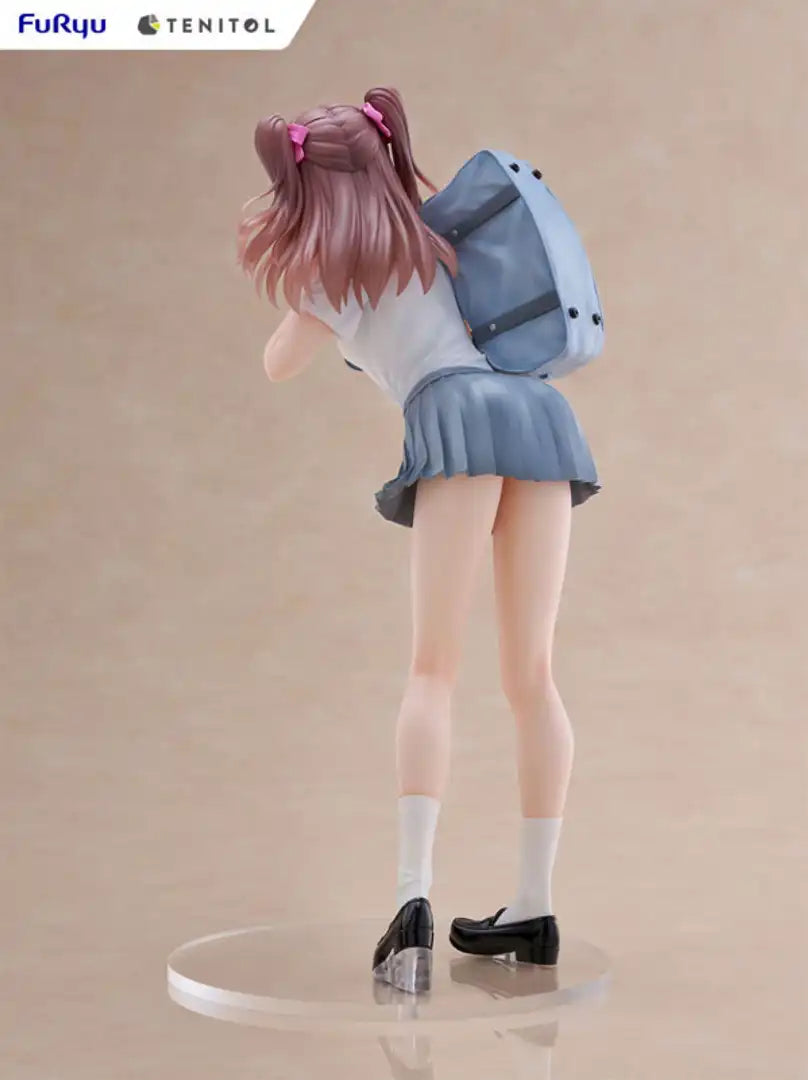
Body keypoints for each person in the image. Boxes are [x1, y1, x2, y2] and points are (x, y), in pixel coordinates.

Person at [237, 86, 601, 995]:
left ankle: (412, 905)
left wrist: (317, 301)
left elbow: (277, 365)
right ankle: (534, 907)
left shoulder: (328, 277)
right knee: (532, 675)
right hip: (540, 412)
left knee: (433, 670)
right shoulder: (443, 241)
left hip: (459, 416)